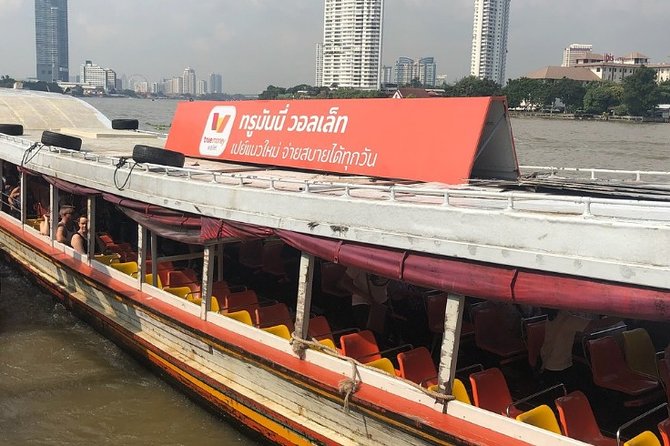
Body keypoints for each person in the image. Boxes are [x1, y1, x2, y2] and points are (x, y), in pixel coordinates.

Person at [339, 266, 389, 331]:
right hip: (362, 303)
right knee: (369, 333)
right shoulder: (358, 263)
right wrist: (365, 296)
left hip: (382, 302)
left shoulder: (390, 262)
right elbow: (345, 282)